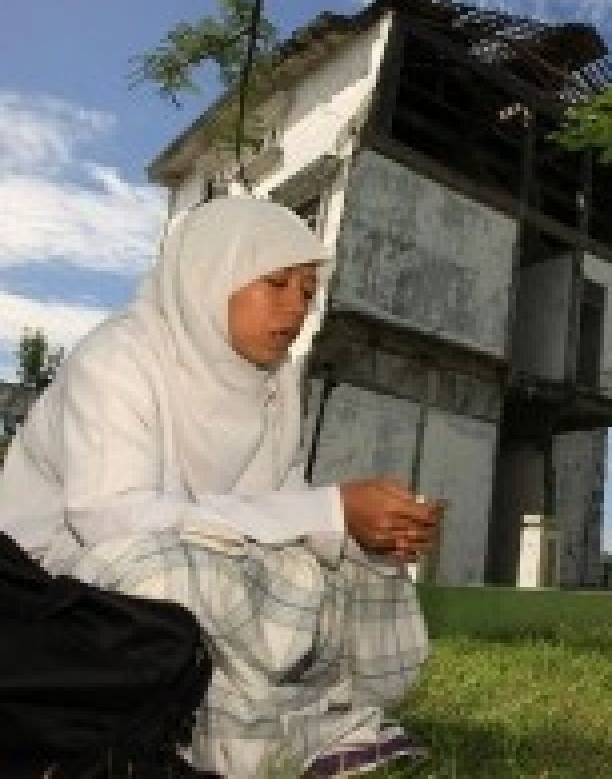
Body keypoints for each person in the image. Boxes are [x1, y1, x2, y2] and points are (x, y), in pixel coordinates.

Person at [0, 197, 443, 777]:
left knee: (347, 575)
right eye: (276, 284)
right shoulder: (118, 359)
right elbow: (106, 517)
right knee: (170, 577)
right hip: (53, 592)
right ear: (211, 275)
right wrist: (329, 510)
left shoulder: (275, 383)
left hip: (195, 559)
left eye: (308, 293)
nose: (294, 310)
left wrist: (364, 534)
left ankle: (277, 723)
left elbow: (277, 502)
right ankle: (244, 729)